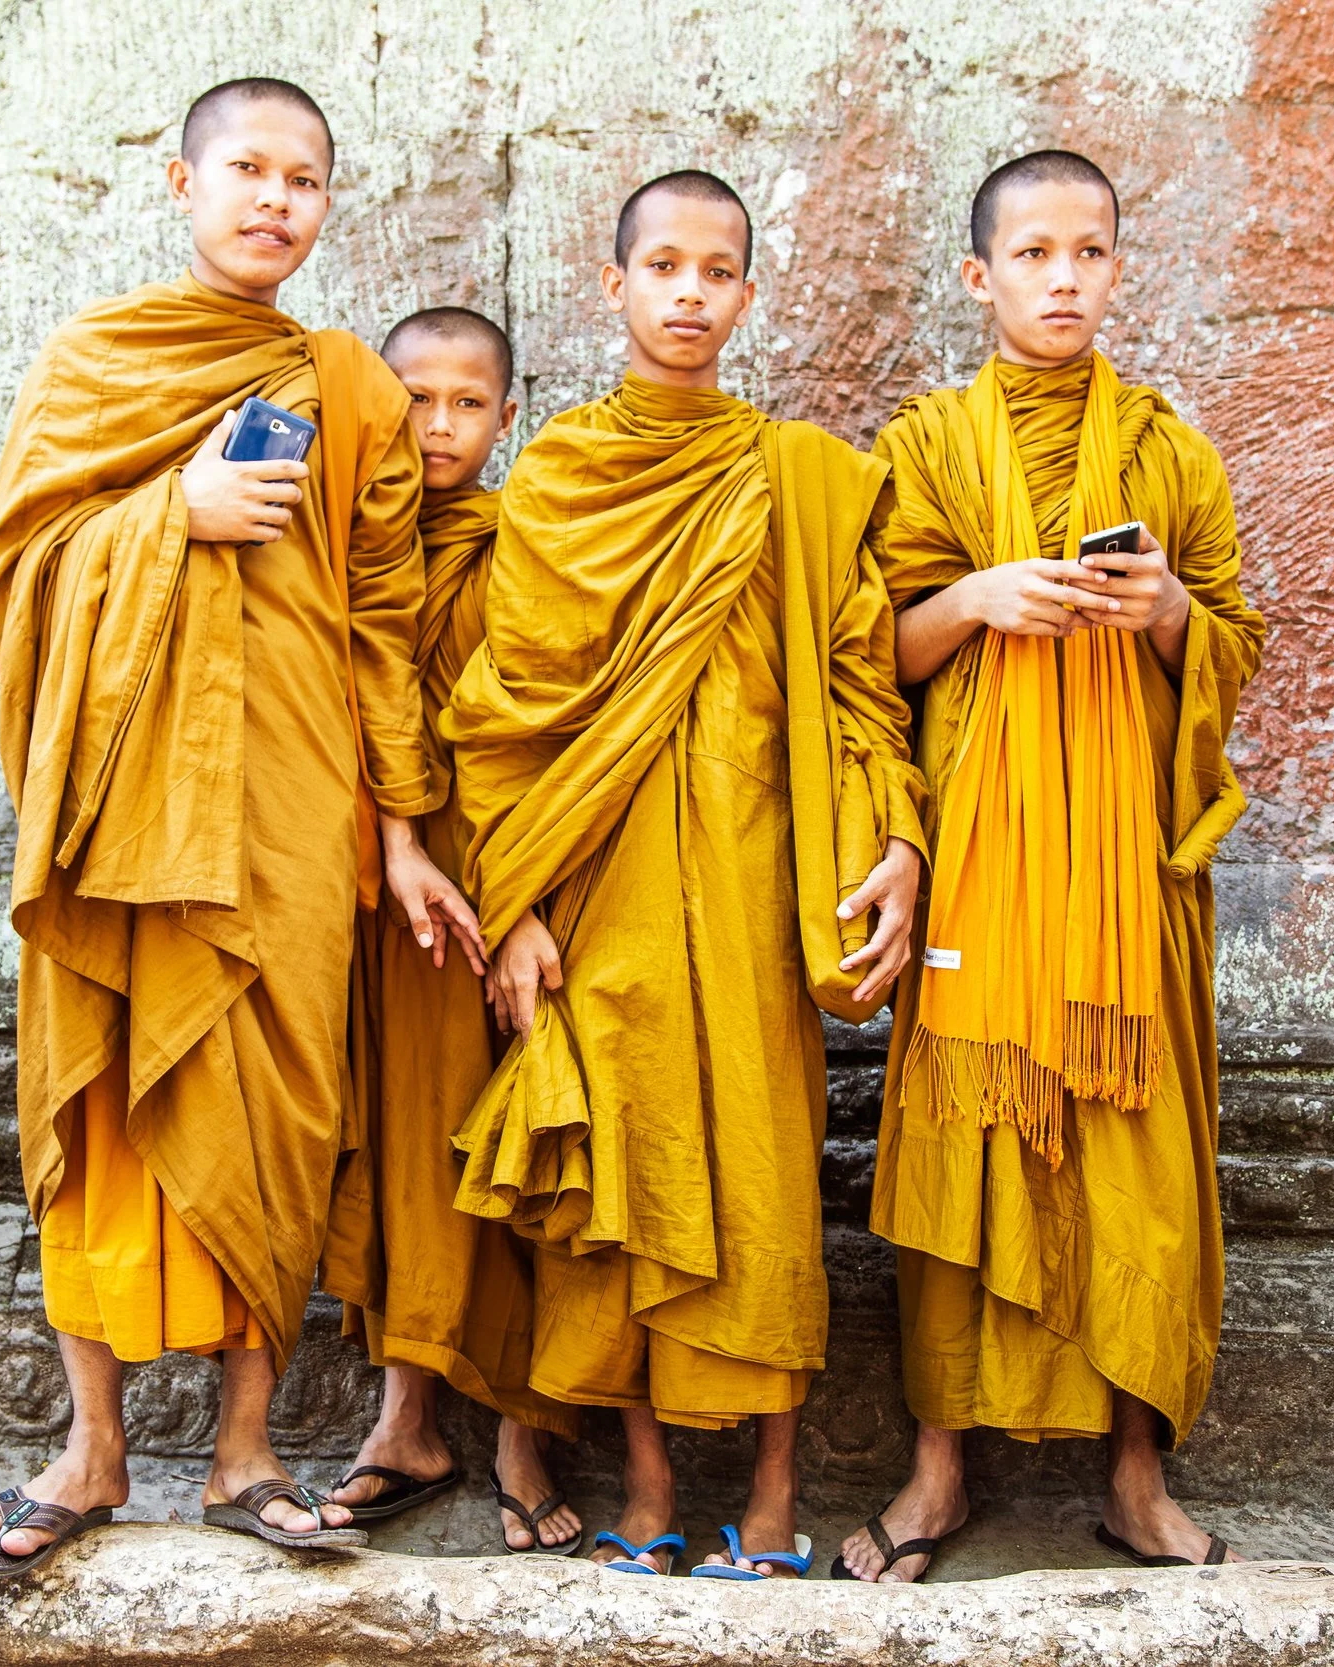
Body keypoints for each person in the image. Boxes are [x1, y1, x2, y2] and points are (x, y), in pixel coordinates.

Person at [0, 78, 486, 1580]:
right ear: (180, 182)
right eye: (246, 169)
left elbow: (384, 622)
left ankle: (246, 1448)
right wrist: (164, 515)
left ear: (328, 202)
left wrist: (397, 831)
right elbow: (18, 571)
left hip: (298, 803)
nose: (274, 199)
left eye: (303, 179)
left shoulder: (357, 388)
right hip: (123, 810)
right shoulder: (96, 361)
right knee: (108, 1094)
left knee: (279, 1105)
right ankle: (93, 1443)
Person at [442, 171, 927, 1579]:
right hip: (597, 889)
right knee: (625, 1182)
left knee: (767, 1181)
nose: (690, 292)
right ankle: (650, 1484)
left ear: (749, 295)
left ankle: (770, 1498)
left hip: (759, 877)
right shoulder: (558, 476)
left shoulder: (802, 479)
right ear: (615, 285)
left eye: (718, 270)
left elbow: (855, 682)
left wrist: (894, 831)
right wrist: (513, 902)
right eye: (662, 265)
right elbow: (506, 704)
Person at [837, 150, 1267, 1583]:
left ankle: (1136, 1473)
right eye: (1032, 254)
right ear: (981, 277)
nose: (1063, 277)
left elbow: (1239, 645)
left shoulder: (1168, 448)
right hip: (973, 863)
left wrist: (1167, 615)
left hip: (1122, 875)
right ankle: (939, 1467)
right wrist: (974, 597)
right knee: (960, 1153)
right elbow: (864, 656)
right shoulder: (922, 448)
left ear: (1121, 271)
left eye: (1089, 252)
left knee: (1137, 1162)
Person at [320, 307, 585, 1555]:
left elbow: (539, 727)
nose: (438, 426)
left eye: (467, 403)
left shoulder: (523, 541)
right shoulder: (340, 545)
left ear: (506, 417)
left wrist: (522, 893)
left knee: (504, 1140)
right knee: (397, 1141)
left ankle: (525, 1428)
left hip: (498, 879)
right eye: (414, 399)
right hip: (376, 885)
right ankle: (404, 1418)